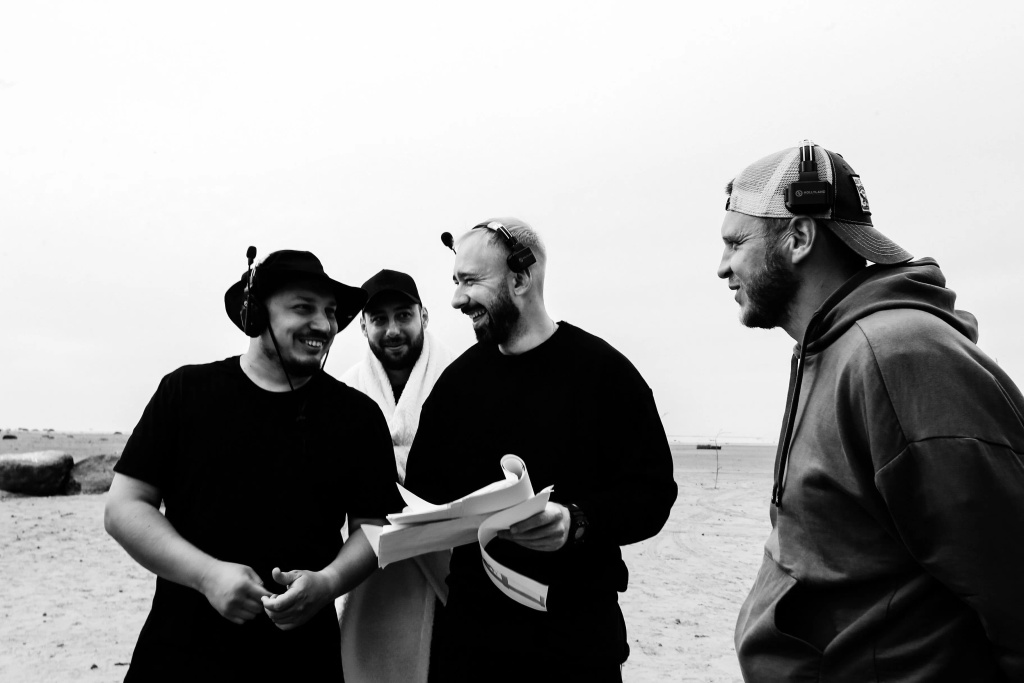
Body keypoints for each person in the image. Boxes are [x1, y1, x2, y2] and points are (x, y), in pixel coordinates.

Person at [718, 142, 1024, 681]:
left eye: (736, 243)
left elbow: (1009, 575)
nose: (723, 267)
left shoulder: (900, 355)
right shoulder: (828, 350)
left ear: (799, 237)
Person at [104, 250, 401, 680]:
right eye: (303, 308)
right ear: (256, 313)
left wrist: (329, 582)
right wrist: (207, 576)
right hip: (180, 653)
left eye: (330, 312)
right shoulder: (185, 392)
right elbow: (123, 508)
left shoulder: (358, 416)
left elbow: (374, 526)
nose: (323, 324)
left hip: (303, 659)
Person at [403, 218, 678, 682]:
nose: (457, 299)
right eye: (455, 282)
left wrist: (576, 521)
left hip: (576, 642)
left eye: (470, 281)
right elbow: (422, 496)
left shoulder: (606, 376)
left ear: (520, 279)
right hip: (470, 641)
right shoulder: (455, 386)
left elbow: (652, 496)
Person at [337, 268, 454, 683]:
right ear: (363, 326)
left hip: (452, 557)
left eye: (403, 315)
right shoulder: (347, 391)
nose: (392, 330)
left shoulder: (458, 379)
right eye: (379, 319)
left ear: (424, 316)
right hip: (375, 559)